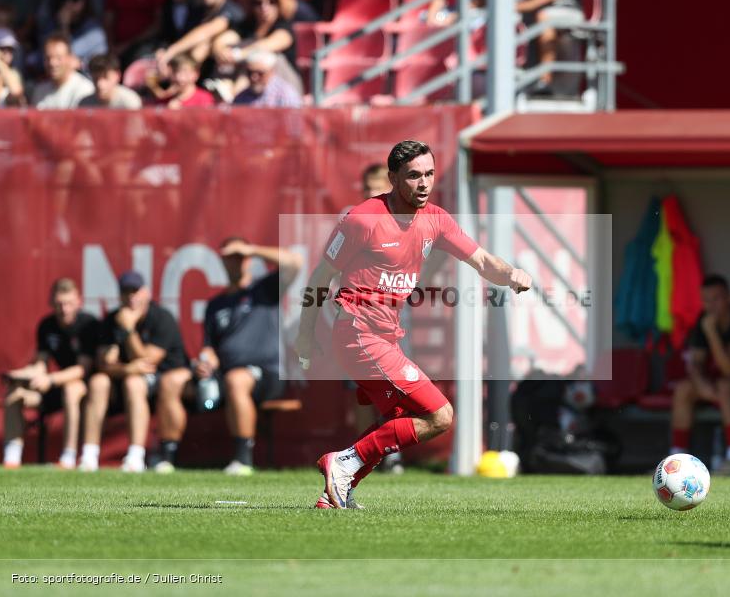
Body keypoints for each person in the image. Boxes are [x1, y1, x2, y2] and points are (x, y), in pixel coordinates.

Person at [296, 140, 533, 509]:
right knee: (441, 415)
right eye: (413, 176)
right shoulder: (363, 219)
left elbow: (483, 260)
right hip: (358, 332)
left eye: (429, 174)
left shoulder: (435, 219)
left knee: (399, 420)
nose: (424, 183)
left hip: (386, 338)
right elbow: (319, 277)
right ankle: (342, 461)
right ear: (392, 178)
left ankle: (335, 492)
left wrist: (512, 273)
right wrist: (305, 335)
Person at [155, 238, 302, 475]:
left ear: (247, 260)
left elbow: (295, 262)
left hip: (267, 375)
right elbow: (210, 347)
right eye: (228, 259)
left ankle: (242, 460)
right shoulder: (216, 304)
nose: (233, 264)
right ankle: (165, 458)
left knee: (237, 379)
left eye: (238, 258)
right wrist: (207, 360)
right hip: (224, 374)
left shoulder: (264, 290)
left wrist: (251, 249)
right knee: (171, 381)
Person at [79, 271, 189, 472]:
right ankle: (88, 455)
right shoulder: (112, 320)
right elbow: (103, 363)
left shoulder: (161, 317)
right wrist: (127, 368)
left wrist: (129, 330)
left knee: (134, 383)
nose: (131, 297)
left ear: (146, 292)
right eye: (125, 291)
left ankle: (135, 456)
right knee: (97, 382)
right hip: (125, 376)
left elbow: (147, 362)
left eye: (135, 291)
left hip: (161, 379)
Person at [1, 279, 99, 469]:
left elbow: (82, 369)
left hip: (85, 388)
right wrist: (20, 375)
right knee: (14, 394)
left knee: (71, 390)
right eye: (59, 304)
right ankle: (11, 458)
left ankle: (68, 457)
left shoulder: (88, 324)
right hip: (54, 386)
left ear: (79, 301)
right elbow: (41, 363)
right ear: (52, 302)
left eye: (69, 303)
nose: (64, 309)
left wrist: (51, 379)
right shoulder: (47, 325)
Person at [669, 274, 730, 475]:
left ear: (729, 297)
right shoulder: (703, 318)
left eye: (716, 298)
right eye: (706, 300)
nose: (711, 305)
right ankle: (676, 459)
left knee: (725, 386)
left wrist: (712, 332)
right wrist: (701, 384)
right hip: (716, 382)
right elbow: (696, 362)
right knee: (684, 388)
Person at [155, 0, 244, 76]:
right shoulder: (198, 9)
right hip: (192, 65)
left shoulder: (232, 10)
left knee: (209, 44)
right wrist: (163, 51)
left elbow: (207, 31)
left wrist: (171, 52)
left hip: (224, 68)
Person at [37, 0, 108, 70]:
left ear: (85, 2)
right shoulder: (52, 24)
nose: (68, 4)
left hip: (86, 78)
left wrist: (64, 26)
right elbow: (44, 53)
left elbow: (66, 55)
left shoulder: (93, 30)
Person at [31, 33, 94, 109]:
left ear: (70, 58)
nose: (52, 63)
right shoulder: (39, 91)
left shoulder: (84, 90)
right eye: (48, 58)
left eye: (58, 58)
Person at [232, 49, 301, 107]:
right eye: (250, 72)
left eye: (260, 73)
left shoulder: (284, 94)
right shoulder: (242, 97)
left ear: (271, 71)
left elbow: (292, 121)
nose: (254, 77)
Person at [0, 27, 23, 106]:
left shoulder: (13, 74)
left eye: (10, 49)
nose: (7, 53)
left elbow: (16, 91)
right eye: (3, 49)